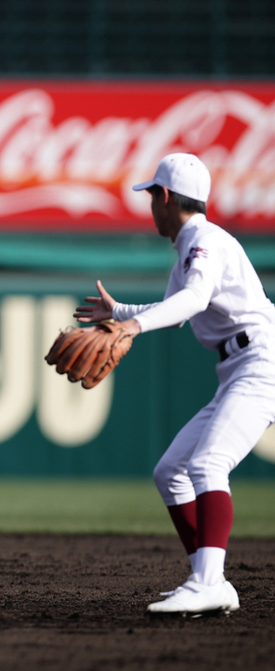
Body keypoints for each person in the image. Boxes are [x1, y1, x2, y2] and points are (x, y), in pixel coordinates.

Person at [75, 153, 275, 615]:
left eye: (151, 197)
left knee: (208, 464)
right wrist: (121, 313)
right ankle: (208, 579)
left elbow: (193, 300)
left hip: (260, 362)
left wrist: (131, 328)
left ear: (164, 197)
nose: (150, 207)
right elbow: (175, 308)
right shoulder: (191, 246)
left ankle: (209, 581)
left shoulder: (204, 240)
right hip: (239, 368)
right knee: (172, 472)